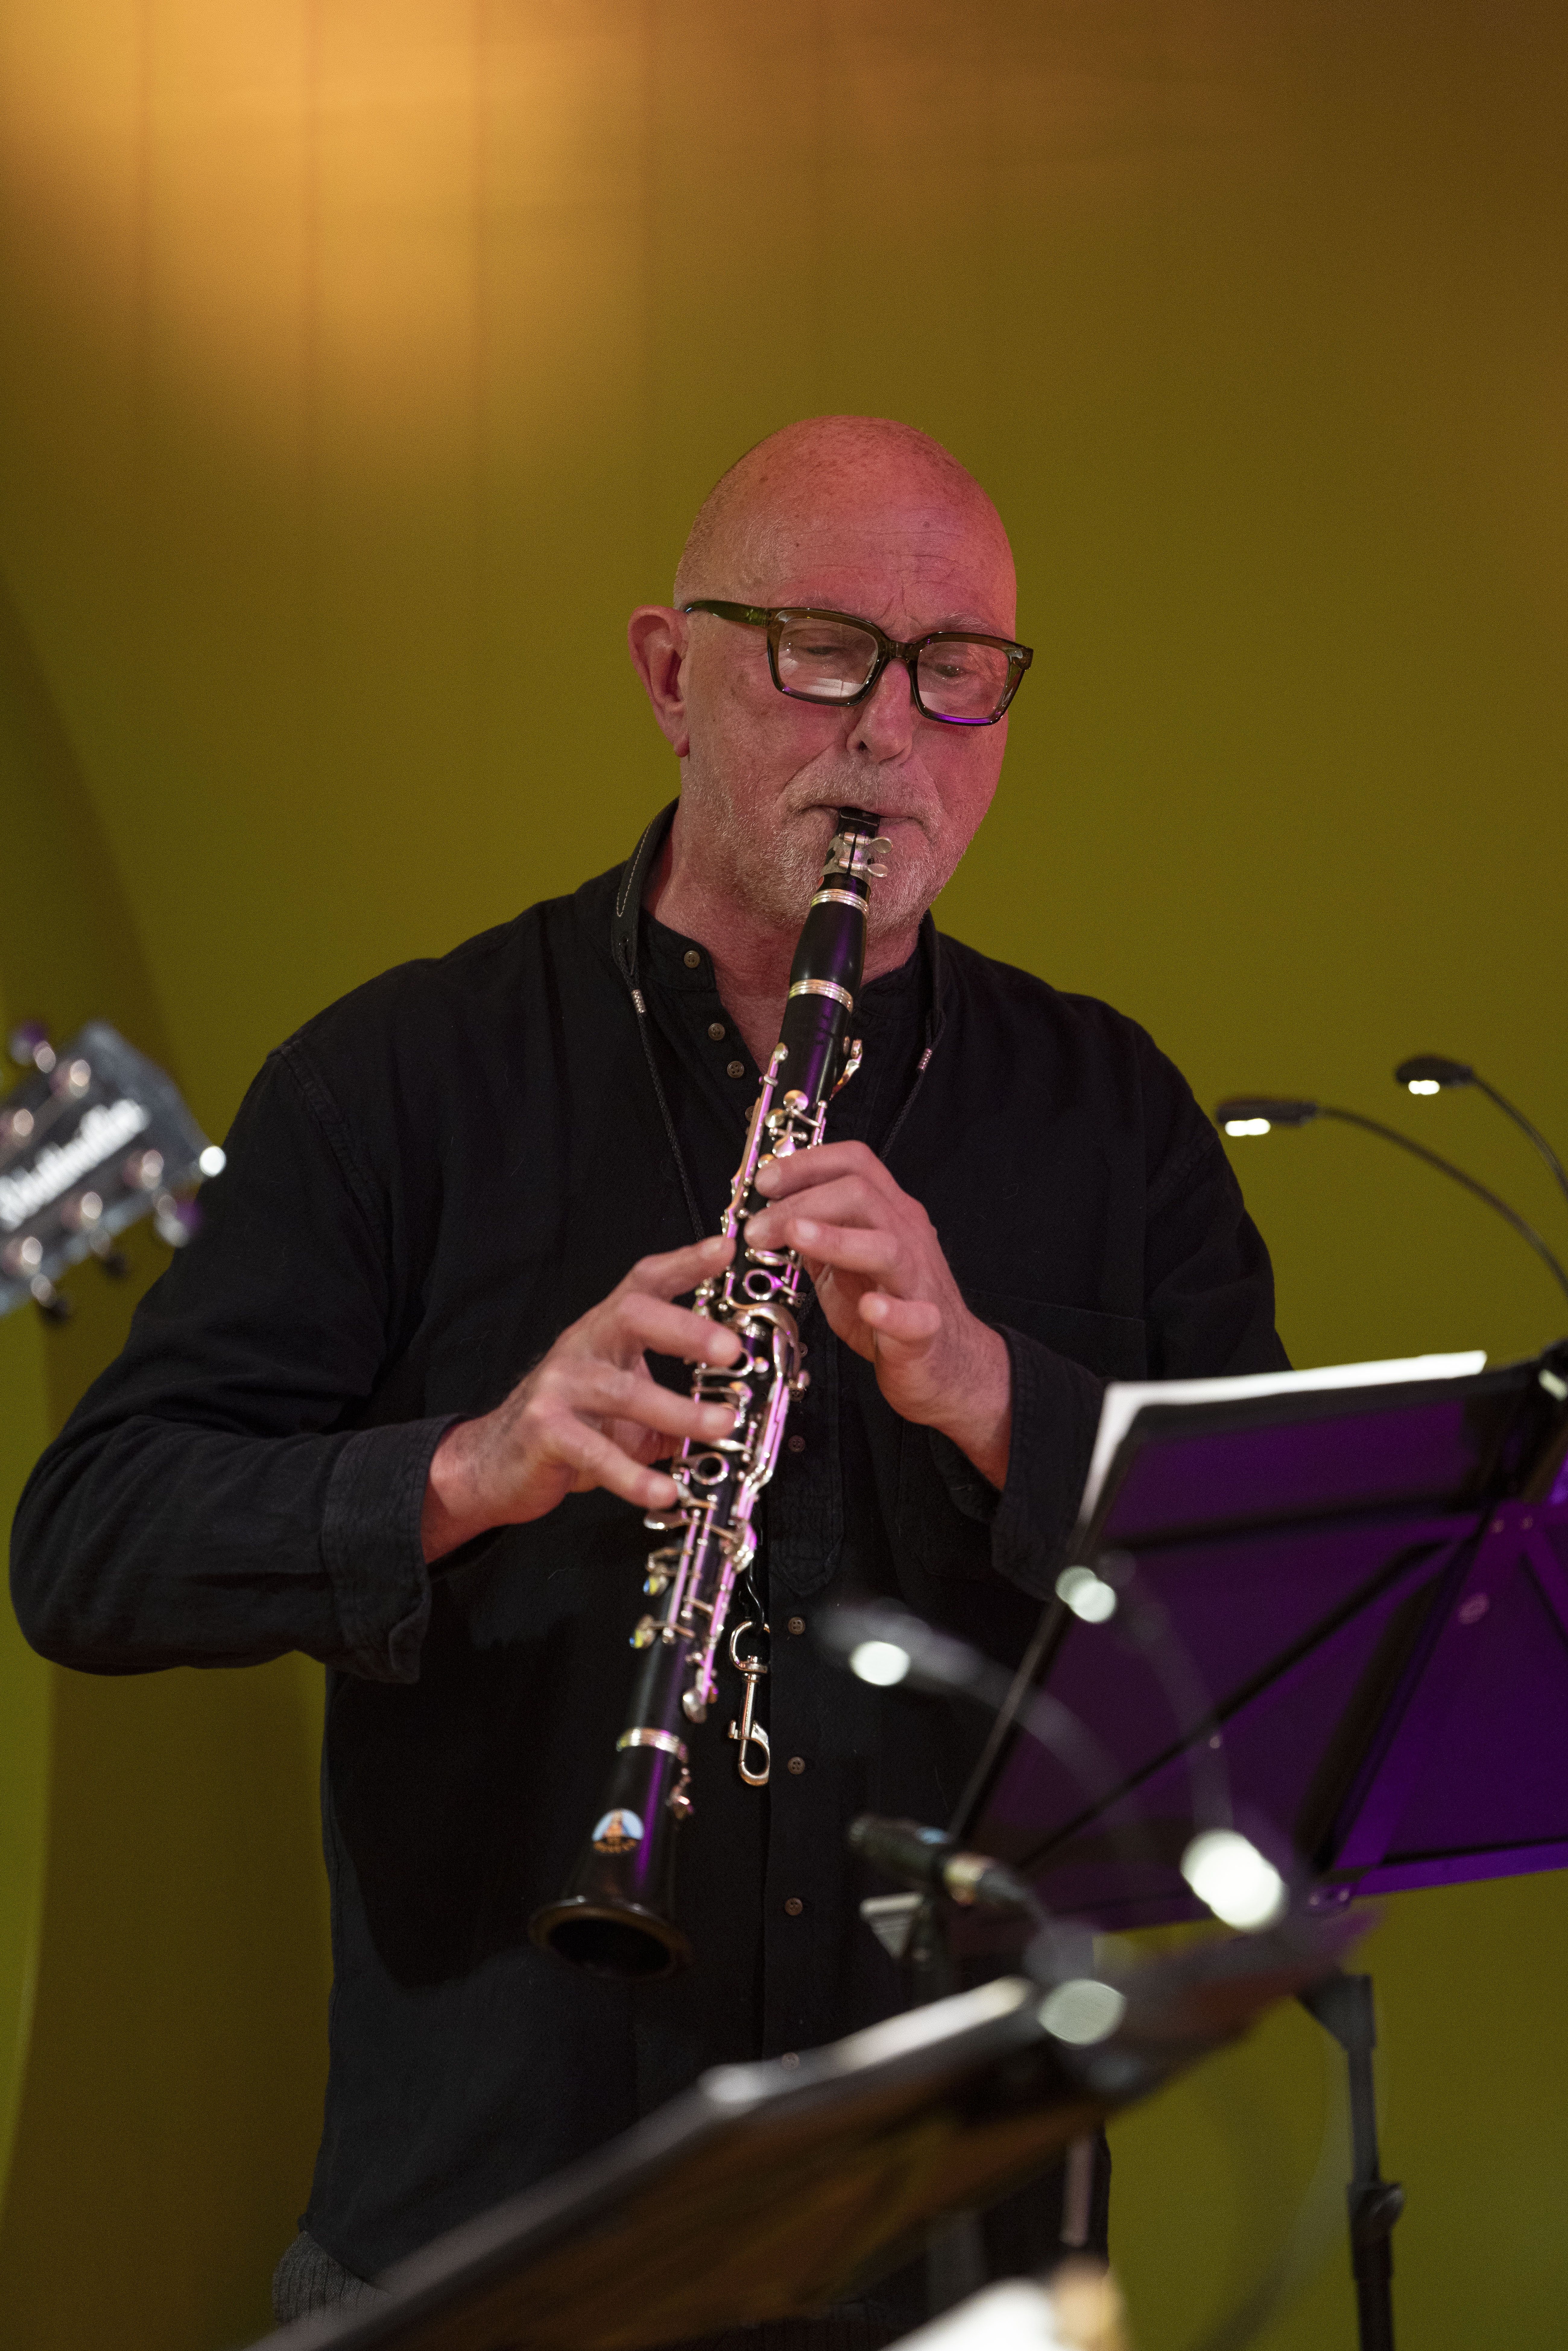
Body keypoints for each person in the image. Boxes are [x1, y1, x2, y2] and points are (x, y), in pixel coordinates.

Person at [10, 416, 1288, 2344]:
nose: (894, 733)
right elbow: (89, 1543)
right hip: (487, 2233)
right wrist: (474, 1463)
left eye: (959, 672)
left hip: (951, 2249)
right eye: (825, 652)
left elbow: (1266, 1602)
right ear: (671, 673)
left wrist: (987, 1391)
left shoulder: (1111, 1118)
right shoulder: (399, 1084)